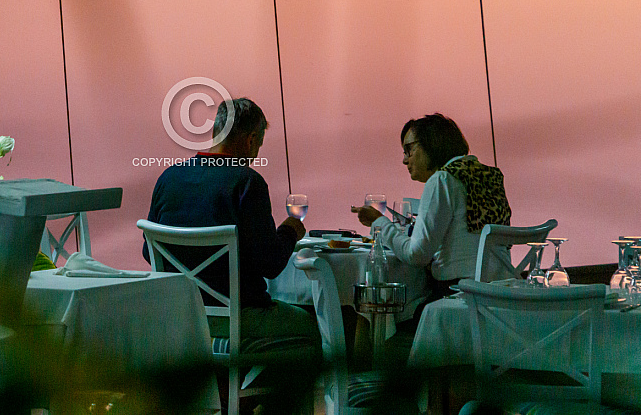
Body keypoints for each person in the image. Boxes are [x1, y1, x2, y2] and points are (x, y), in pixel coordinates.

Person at [143, 98, 321, 413]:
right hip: (242, 318)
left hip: (182, 318)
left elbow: (149, 251)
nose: (256, 155)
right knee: (312, 328)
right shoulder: (246, 183)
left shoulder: (168, 179)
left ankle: (230, 401)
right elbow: (270, 265)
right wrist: (292, 230)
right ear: (251, 139)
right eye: (259, 146)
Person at [351, 113, 512, 302]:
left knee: (374, 303)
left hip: (460, 296)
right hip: (502, 293)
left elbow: (416, 255)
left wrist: (379, 223)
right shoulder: (491, 176)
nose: (404, 160)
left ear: (431, 143)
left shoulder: (443, 180)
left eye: (408, 149)